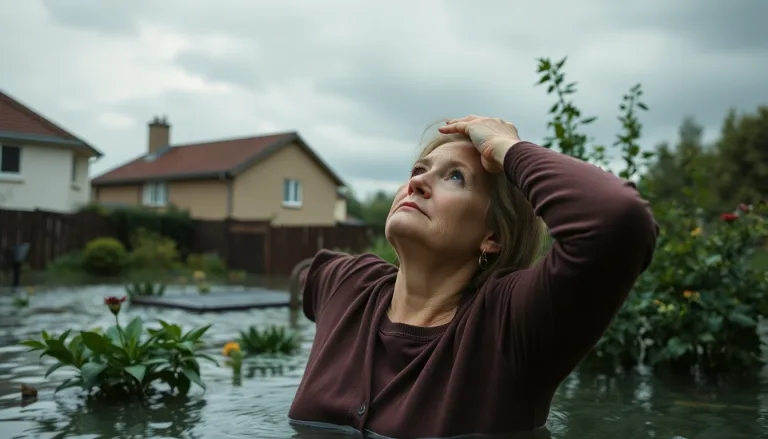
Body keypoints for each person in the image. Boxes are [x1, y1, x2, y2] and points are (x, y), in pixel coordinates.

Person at [288, 116, 659, 438]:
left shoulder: (512, 324)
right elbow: (304, 275)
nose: (417, 184)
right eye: (419, 170)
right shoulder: (347, 285)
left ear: (493, 237)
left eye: (454, 177)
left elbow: (617, 217)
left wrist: (507, 149)